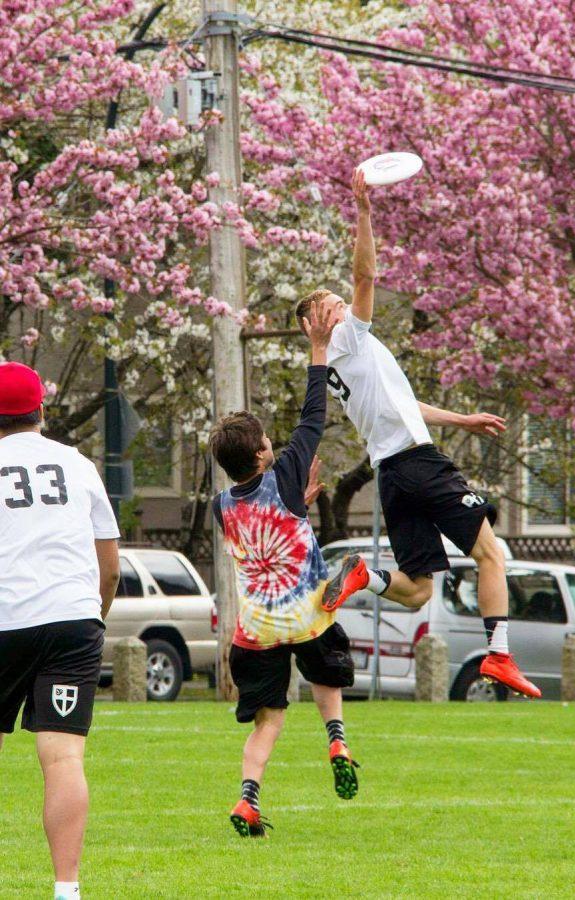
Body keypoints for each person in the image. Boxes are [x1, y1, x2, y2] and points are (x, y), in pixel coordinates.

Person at [295, 169, 540, 699]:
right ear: (327, 320)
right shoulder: (350, 340)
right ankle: (499, 655)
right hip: (419, 465)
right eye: (337, 305)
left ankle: (363, 574)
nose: (349, 305)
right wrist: (362, 212)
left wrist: (461, 419)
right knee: (491, 554)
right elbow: (366, 278)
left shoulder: (338, 364)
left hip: (391, 473)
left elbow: (402, 405)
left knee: (417, 591)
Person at [210, 301, 359, 839]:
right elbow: (313, 417)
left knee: (268, 720)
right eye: (268, 444)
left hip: (256, 630)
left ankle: (248, 800)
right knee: (323, 661)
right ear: (261, 456)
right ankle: (337, 737)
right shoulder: (285, 471)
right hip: (306, 613)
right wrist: (318, 349)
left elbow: (260, 533)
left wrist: (299, 500)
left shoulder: (221, 505)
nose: (276, 444)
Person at [0, 362, 121, 900]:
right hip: (73, 618)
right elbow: (110, 566)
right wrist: (95, 617)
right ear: (42, 411)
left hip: (5, 616)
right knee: (64, 758)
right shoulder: (78, 465)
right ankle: (66, 890)